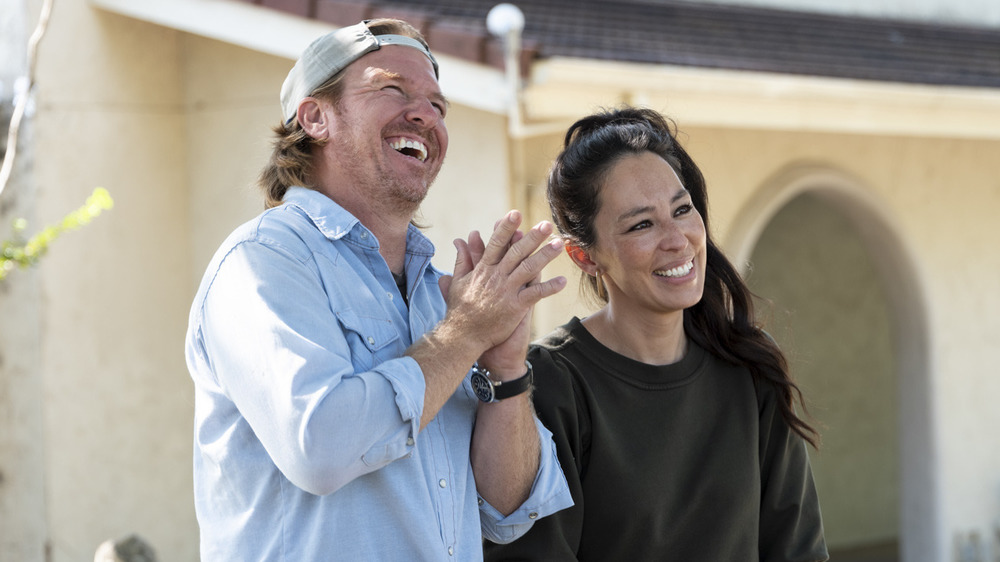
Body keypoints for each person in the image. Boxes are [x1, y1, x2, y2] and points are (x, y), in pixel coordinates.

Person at [184, 19, 573, 561]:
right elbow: (318, 446)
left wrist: (505, 372)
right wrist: (463, 336)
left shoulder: (446, 298)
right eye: (393, 88)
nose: (425, 114)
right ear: (315, 118)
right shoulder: (261, 263)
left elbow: (508, 511)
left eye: (438, 105)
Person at [484, 107, 828, 561]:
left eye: (682, 210)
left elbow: (798, 551)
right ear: (584, 256)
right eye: (642, 224)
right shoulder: (551, 386)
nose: (678, 239)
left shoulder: (749, 369)